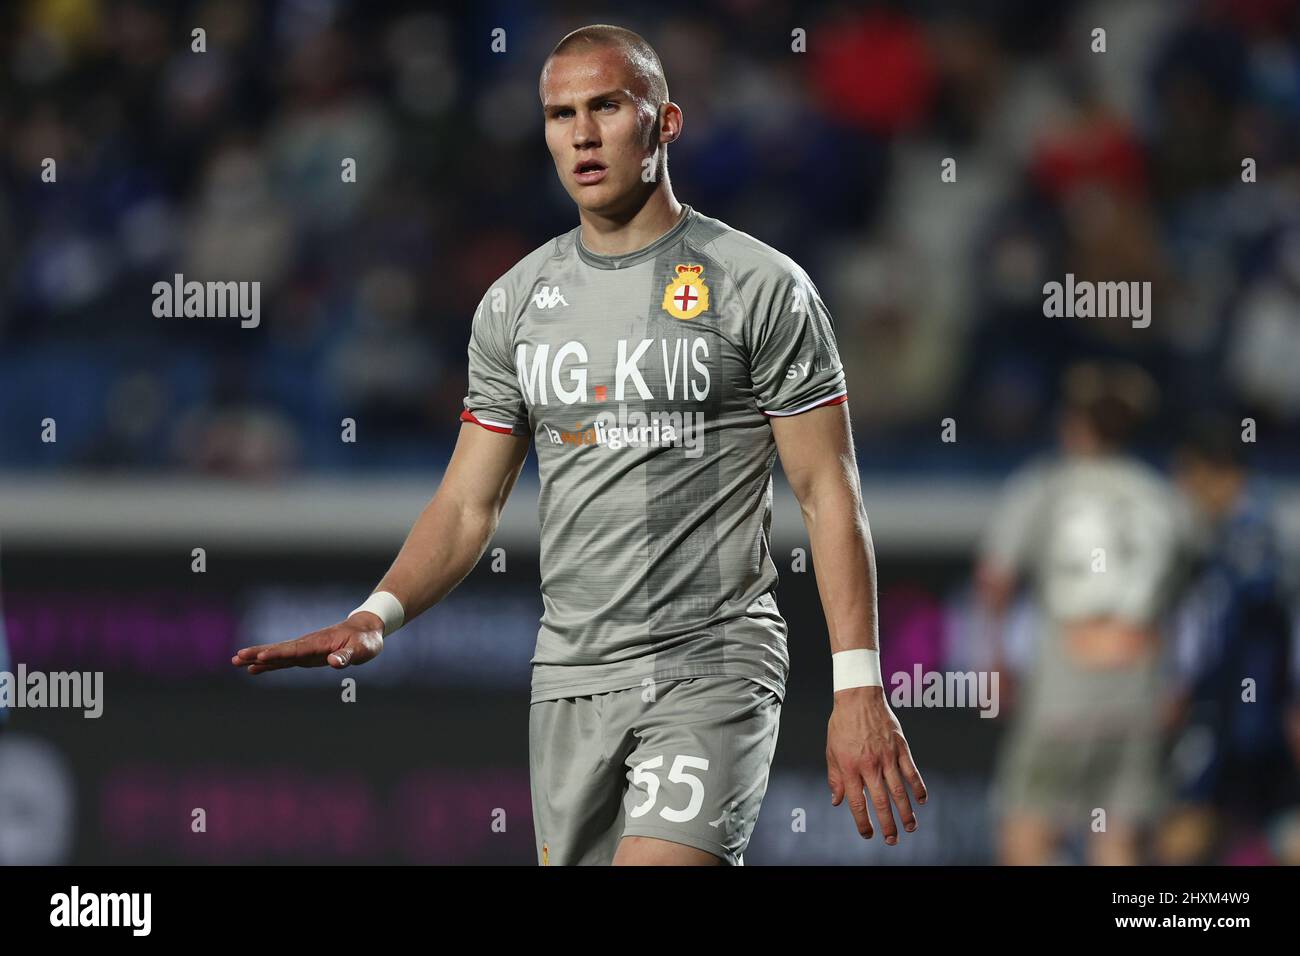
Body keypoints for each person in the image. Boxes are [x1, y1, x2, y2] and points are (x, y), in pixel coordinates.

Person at [232, 24, 925, 865]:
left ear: (664, 123)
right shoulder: (514, 305)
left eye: (606, 106)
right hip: (569, 678)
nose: (583, 134)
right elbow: (466, 503)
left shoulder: (761, 286)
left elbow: (827, 489)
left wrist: (857, 685)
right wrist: (378, 615)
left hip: (712, 662)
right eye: (561, 115)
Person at [975, 362, 1186, 865]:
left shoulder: (1045, 487)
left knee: (1026, 828)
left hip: (1064, 690)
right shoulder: (1162, 498)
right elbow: (1186, 597)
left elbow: (995, 581)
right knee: (1115, 838)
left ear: (1073, 422)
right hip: (1137, 688)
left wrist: (996, 656)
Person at [1157, 416, 1300, 864]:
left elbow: (1256, 627)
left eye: (1187, 473)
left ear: (1215, 470)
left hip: (1243, 712)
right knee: (1272, 824)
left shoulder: (1254, 537)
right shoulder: (1243, 527)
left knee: (1186, 829)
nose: (1182, 487)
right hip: (1252, 708)